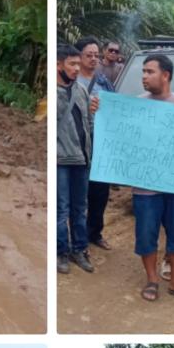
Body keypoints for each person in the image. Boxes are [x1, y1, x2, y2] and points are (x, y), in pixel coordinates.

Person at [132, 54, 174, 303]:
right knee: (146, 234)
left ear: (165, 75)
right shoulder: (136, 105)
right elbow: (124, 137)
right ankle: (152, 280)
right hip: (145, 185)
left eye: (149, 71)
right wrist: (100, 112)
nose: (144, 76)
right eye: (143, 71)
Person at [57, 44, 96, 274]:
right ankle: (61, 251)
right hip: (62, 161)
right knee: (62, 209)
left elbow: (88, 123)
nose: (76, 69)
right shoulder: (52, 94)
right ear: (58, 65)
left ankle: (79, 249)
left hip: (82, 159)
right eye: (72, 64)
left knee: (80, 208)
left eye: (77, 64)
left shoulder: (81, 90)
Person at [74, 37, 115, 251]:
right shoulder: (72, 81)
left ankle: (95, 232)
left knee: (100, 192)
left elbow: (115, 104)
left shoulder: (102, 81)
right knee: (80, 192)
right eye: (88, 55)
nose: (93, 59)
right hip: (80, 142)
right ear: (78, 57)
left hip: (102, 142)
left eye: (96, 55)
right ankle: (77, 237)